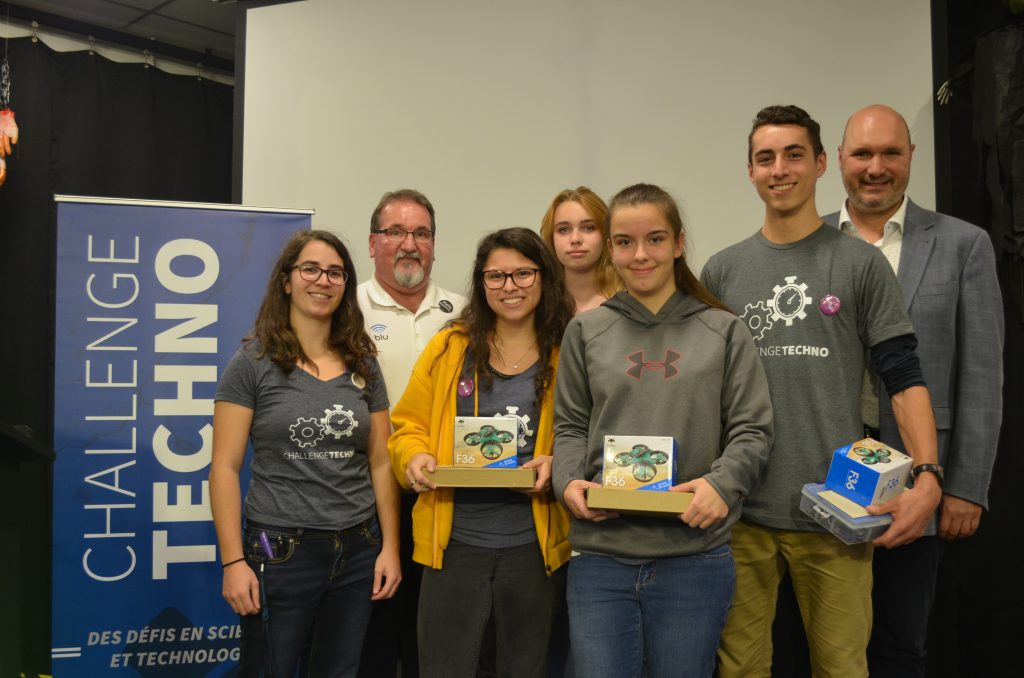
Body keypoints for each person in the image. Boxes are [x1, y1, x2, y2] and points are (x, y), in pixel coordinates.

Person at [701, 105, 942, 678]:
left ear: (819, 164)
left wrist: (929, 475)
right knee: (740, 669)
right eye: (765, 158)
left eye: (793, 155)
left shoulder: (860, 264)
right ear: (750, 171)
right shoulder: (722, 271)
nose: (779, 169)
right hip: (741, 514)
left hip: (837, 513)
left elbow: (903, 377)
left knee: (842, 668)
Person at [552, 183, 774, 678]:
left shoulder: (723, 330)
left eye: (654, 239)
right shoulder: (586, 331)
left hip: (693, 558)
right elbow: (569, 426)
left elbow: (752, 429)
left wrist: (722, 485)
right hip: (601, 559)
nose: (640, 254)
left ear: (678, 243)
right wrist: (568, 483)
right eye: (625, 242)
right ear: (611, 249)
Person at [824, 104, 1004, 677]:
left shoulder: (963, 244)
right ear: (839, 160)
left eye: (890, 153)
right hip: (823, 476)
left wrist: (965, 486)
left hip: (921, 483)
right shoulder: (809, 241)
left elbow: (981, 374)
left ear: (911, 157)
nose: (875, 168)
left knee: (900, 645)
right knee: (822, 643)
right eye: (862, 154)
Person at [210, 230, 401, 677]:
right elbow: (224, 467)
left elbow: (380, 461)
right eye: (311, 269)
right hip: (278, 551)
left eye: (336, 272)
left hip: (358, 550)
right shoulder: (252, 363)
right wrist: (233, 562)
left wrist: (390, 547)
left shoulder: (363, 362)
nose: (323, 280)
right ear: (287, 280)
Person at [390, 227, 574, 678]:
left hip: (533, 548)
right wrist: (414, 458)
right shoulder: (449, 346)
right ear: (481, 281)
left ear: (545, 277)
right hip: (453, 546)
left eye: (523, 274)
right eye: (496, 276)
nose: (510, 286)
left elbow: (587, 433)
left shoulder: (568, 350)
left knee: (525, 668)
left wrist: (560, 465)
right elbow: (407, 426)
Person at [356, 189, 466, 678]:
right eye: (395, 232)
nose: (409, 244)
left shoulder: (463, 312)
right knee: (373, 640)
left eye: (421, 233)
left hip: (441, 496)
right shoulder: (347, 307)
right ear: (372, 243)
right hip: (365, 497)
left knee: (432, 638)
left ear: (434, 245)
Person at [540, 186, 622, 313]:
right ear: (551, 238)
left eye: (588, 228)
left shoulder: (629, 299)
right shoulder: (539, 303)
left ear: (606, 234)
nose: (575, 239)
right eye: (563, 230)